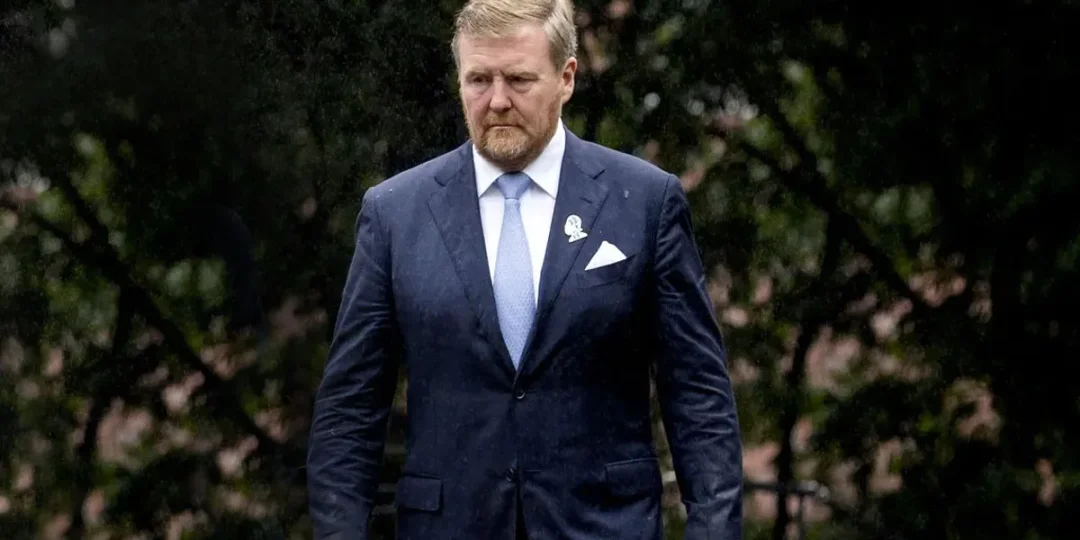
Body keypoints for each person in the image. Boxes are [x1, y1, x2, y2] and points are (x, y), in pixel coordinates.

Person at [306, 0, 743, 538]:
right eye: (478, 80)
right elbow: (349, 409)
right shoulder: (395, 214)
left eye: (518, 79)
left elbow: (698, 395)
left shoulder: (646, 203)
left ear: (566, 78)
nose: (496, 101)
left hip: (603, 526)